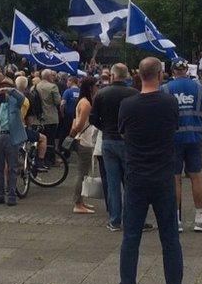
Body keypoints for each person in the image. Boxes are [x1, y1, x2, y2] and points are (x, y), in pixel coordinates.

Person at [109, 56, 191, 284]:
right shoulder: (169, 103)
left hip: (135, 177)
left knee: (131, 236)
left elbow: (123, 132)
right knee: (170, 237)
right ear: (160, 74)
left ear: (139, 75)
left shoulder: (128, 105)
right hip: (164, 176)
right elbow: (174, 129)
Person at [90, 63, 138, 231]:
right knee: (131, 181)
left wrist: (106, 128)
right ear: (126, 76)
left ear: (112, 75)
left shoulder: (101, 94)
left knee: (112, 182)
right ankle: (132, 218)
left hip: (108, 140)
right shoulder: (134, 93)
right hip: (127, 140)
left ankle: (114, 219)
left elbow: (93, 119)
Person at [163, 59, 202, 232]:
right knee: (196, 176)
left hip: (173, 138)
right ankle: (199, 217)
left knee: (175, 178)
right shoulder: (199, 88)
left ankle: (177, 220)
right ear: (187, 71)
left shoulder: (165, 89)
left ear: (173, 71)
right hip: (194, 137)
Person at [0, 78, 26, 207]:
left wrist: (10, 90)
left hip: (11, 137)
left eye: (5, 88)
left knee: (12, 167)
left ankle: (11, 194)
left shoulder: (15, 101)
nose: (2, 92)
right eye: (1, 88)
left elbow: (22, 98)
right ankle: (0, 194)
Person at [68, 76, 98, 215]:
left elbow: (75, 121)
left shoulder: (81, 101)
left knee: (83, 172)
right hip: (84, 140)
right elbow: (80, 124)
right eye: (96, 85)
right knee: (82, 172)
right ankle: (78, 203)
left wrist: (72, 134)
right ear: (90, 87)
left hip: (81, 139)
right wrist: (75, 133)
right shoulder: (86, 103)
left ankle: (80, 201)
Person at [33, 69, 62, 156]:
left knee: (40, 139)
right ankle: (50, 158)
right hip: (50, 117)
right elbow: (58, 102)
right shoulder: (53, 87)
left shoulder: (34, 87)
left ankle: (39, 157)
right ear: (49, 76)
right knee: (50, 140)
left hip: (37, 118)